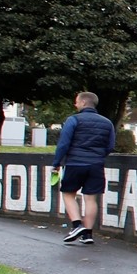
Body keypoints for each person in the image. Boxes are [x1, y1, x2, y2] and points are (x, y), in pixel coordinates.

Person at [51, 91, 116, 245]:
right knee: (91, 199)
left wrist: (56, 163)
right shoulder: (107, 123)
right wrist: (98, 156)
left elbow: (64, 144)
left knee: (68, 194)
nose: (76, 104)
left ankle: (76, 225)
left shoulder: (73, 120)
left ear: (84, 103)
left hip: (75, 163)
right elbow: (110, 146)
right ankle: (87, 235)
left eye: (77, 102)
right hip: (96, 165)